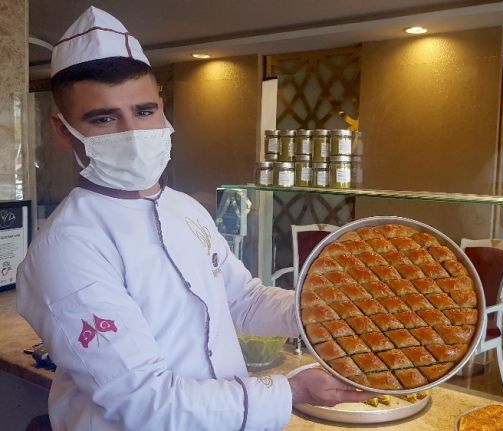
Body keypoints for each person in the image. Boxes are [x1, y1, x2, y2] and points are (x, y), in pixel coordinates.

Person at [17, 6, 371, 431]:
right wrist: (292, 391)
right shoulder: (67, 248)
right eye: (105, 118)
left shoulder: (184, 208)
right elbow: (144, 401)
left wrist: (328, 311)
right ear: (63, 130)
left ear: (162, 109)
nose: (133, 134)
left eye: (144, 111)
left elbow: (242, 300)